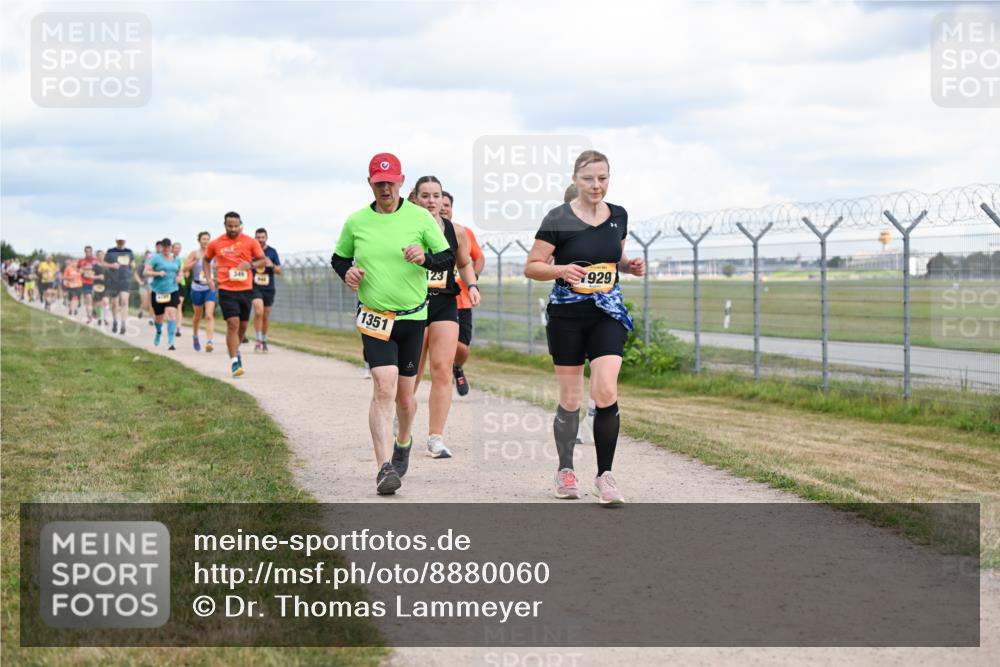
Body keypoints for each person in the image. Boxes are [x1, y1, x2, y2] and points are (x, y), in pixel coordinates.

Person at [523, 150, 645, 505]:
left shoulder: (618, 215)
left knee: (605, 390)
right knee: (571, 398)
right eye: (590, 178)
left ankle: (605, 476)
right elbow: (532, 266)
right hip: (568, 315)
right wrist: (560, 270)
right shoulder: (558, 218)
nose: (597, 185)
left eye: (603, 178)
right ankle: (565, 469)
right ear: (576, 179)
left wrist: (629, 266)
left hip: (607, 311)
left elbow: (613, 257)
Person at [330, 152, 454, 495]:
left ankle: (404, 441)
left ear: (401, 182)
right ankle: (384, 467)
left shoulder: (420, 217)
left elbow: (446, 258)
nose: (385, 187)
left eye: (391, 181)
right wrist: (348, 273)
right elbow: (339, 258)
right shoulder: (356, 222)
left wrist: (424, 258)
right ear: (370, 183)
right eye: (378, 182)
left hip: (412, 316)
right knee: (383, 386)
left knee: (404, 397)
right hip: (374, 316)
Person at [409, 177, 480, 459]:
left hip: (444, 303)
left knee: (441, 368)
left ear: (442, 200)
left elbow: (464, 263)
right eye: (425, 195)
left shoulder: (457, 231)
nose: (431, 201)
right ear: (414, 198)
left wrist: (472, 286)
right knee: (411, 371)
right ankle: (401, 420)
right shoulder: (405, 229)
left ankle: (435, 437)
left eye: (436, 195)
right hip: (412, 303)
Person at [203, 212, 267, 377]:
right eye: (230, 226)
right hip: (226, 289)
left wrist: (250, 265)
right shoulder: (216, 243)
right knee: (233, 323)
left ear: (241, 225)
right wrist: (209, 278)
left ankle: (235, 349)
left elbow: (262, 260)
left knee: (243, 326)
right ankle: (234, 362)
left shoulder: (250, 242)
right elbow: (206, 260)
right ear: (225, 225)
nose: (233, 229)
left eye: (236, 226)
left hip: (246, 289)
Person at [442, 191, 486, 397]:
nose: (442, 208)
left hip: (462, 300)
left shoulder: (463, 232)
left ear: (451, 208)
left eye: (447, 205)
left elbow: (477, 258)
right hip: (435, 299)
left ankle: (457, 367)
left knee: (462, 348)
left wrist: (472, 281)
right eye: (438, 203)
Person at [145, 238, 183, 350]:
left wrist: (179, 277)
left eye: (168, 246)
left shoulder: (177, 259)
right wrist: (157, 273)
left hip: (173, 290)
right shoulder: (155, 259)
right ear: (161, 247)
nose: (166, 249)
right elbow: (146, 272)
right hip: (158, 291)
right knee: (159, 317)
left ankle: (171, 341)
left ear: (171, 247)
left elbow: (180, 271)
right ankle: (158, 332)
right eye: (164, 246)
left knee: (172, 313)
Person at [184, 232, 217, 352]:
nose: (206, 241)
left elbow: (219, 267)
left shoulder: (214, 253)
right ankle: (195, 336)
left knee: (209, 315)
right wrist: (195, 261)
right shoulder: (194, 253)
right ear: (199, 240)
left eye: (208, 239)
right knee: (198, 315)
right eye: (204, 239)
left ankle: (209, 341)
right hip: (197, 287)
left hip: (210, 287)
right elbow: (184, 268)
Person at [250, 227, 282, 353]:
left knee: (265, 316)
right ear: (255, 238)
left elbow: (279, 271)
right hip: (254, 287)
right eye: (258, 237)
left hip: (269, 288)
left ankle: (264, 339)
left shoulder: (272, 252)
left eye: (263, 237)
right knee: (258, 312)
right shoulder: (251, 252)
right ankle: (257, 340)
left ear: (266, 238)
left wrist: (272, 265)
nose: (260, 240)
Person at [104, 234, 135, 335]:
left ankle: (123, 324)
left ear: (125, 241)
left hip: (125, 280)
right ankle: (115, 321)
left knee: (125, 301)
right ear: (116, 241)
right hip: (113, 280)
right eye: (119, 241)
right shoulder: (110, 252)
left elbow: (133, 263)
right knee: (114, 303)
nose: (121, 242)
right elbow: (103, 264)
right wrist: (111, 265)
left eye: (122, 241)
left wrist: (133, 265)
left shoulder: (129, 252)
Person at [78, 246, 99, 323]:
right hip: (86, 282)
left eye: (90, 251)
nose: (88, 253)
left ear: (92, 252)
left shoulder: (96, 260)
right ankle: (89, 317)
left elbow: (100, 269)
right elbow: (78, 269)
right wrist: (81, 271)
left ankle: (94, 310)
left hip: (95, 282)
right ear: (85, 252)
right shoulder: (81, 261)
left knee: (95, 300)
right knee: (89, 298)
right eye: (87, 251)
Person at [91, 250, 110, 325]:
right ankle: (99, 318)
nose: (101, 256)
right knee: (99, 304)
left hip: (106, 286)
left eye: (102, 255)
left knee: (106, 302)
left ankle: (105, 319)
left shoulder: (107, 266)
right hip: (97, 287)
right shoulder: (95, 266)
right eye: (99, 255)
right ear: (97, 257)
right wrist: (98, 277)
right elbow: (91, 276)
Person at [171, 242, 185, 338]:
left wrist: (180, 277)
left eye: (179, 248)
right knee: (171, 308)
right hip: (170, 286)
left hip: (180, 285)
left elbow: (182, 272)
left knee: (179, 306)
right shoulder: (169, 260)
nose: (177, 250)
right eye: (175, 248)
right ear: (172, 249)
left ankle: (178, 328)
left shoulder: (181, 260)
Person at [137, 249, 154, 323]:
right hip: (143, 285)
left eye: (150, 256)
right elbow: (136, 274)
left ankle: (151, 318)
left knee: (151, 302)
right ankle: (141, 310)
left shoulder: (154, 265)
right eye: (147, 255)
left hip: (151, 285)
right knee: (145, 303)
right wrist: (140, 281)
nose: (148, 257)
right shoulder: (141, 265)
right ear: (145, 256)